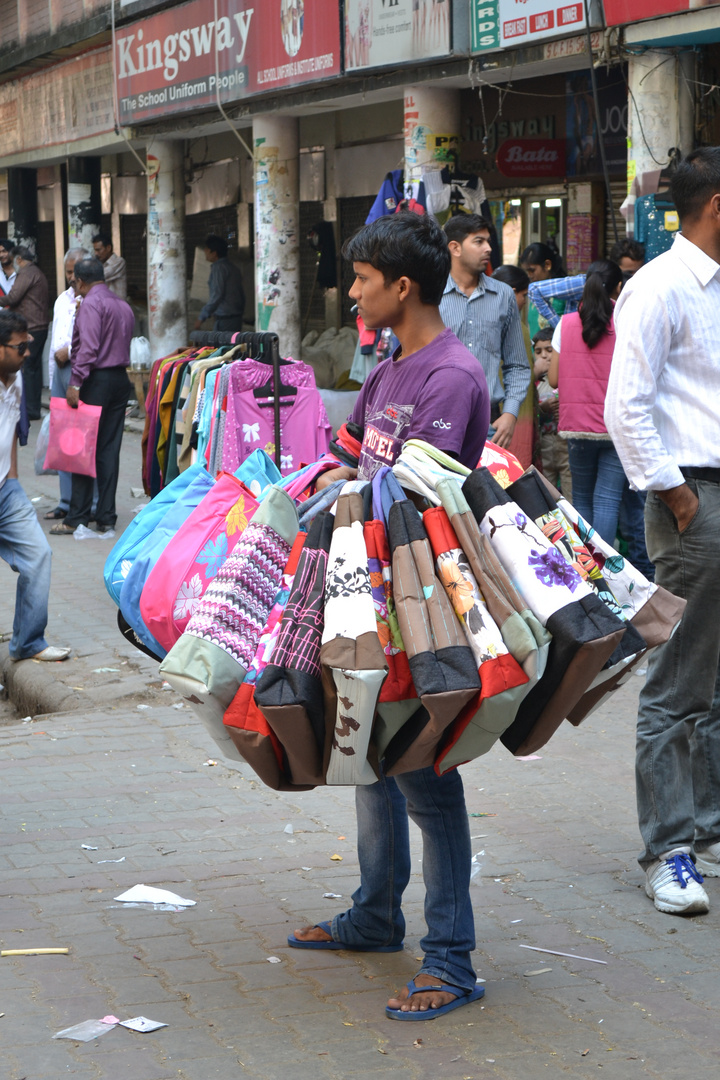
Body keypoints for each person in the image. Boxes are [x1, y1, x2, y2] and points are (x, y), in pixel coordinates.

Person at [290, 212, 490, 1021]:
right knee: (369, 752)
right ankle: (376, 915)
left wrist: (343, 493)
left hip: (422, 602)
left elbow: (414, 493)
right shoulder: (389, 369)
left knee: (427, 778)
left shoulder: (452, 377)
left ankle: (452, 960)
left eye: (362, 280)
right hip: (364, 591)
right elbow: (350, 457)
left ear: (401, 287)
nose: (353, 292)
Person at [605, 147, 720, 916]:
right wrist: (681, 501)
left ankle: (706, 828)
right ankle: (668, 850)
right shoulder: (659, 286)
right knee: (677, 682)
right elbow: (626, 406)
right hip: (696, 501)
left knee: (713, 682)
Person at [0, 310, 70, 663]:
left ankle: (28, 642)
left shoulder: (17, 379)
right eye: (20, 347)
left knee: (38, 555)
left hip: (5, 490)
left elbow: (11, 428)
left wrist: (12, 477)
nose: (28, 353)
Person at [48, 258, 134, 537]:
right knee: (108, 450)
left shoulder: (90, 305)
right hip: (120, 379)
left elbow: (88, 348)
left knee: (80, 448)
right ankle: (106, 516)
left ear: (81, 281)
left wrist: (75, 382)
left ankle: (77, 516)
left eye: (75, 282)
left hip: (96, 380)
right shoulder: (122, 305)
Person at [547, 259, 626, 545]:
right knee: (607, 501)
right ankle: (608, 572)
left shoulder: (565, 325)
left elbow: (554, 379)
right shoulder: (627, 323)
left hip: (577, 427)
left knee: (580, 497)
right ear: (619, 287)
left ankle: (586, 569)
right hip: (616, 427)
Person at [439, 214, 528, 449]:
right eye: (479, 242)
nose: (488, 249)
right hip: (436, 419)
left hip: (489, 424)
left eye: (488, 241)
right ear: (455, 248)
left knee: (486, 486)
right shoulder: (431, 294)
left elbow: (517, 364)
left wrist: (510, 413)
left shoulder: (503, 295)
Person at [43, 248, 90, 522]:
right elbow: (55, 341)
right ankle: (65, 500)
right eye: (68, 271)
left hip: (78, 371)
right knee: (62, 439)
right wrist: (52, 380)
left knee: (83, 438)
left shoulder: (90, 301)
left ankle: (88, 503)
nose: (71, 277)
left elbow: (92, 342)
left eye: (75, 272)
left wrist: (69, 355)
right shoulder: (62, 299)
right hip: (59, 373)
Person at [491, 264, 537, 469]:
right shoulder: (519, 329)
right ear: (511, 293)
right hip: (514, 416)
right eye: (524, 295)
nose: (524, 302)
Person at [0, 247, 49, 420]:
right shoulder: (37, 272)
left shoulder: (26, 273)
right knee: (33, 370)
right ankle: (33, 408)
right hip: (39, 325)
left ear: (19, 259)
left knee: (28, 369)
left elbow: (13, 297)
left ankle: (30, 409)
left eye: (14, 261)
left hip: (32, 327)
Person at [533, 327, 572, 500]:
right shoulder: (535, 384)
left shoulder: (564, 379)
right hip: (544, 444)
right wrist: (543, 408)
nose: (544, 356)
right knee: (547, 491)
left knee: (570, 488)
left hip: (564, 443)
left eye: (549, 350)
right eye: (538, 351)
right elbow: (531, 413)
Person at [194, 234, 245, 333]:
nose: (205, 251)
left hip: (225, 319)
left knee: (222, 347)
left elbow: (217, 295)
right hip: (235, 318)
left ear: (214, 253)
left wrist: (202, 317)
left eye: (207, 249)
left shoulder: (219, 269)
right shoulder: (233, 268)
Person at [519, 241, 568, 338]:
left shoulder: (563, 293)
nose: (529, 275)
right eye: (527, 271)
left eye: (532, 270)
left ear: (547, 265)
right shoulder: (535, 292)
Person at [91, 233, 127, 301]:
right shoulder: (99, 263)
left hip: (117, 307)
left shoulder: (119, 262)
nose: (96, 253)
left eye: (98, 250)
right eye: (95, 250)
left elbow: (98, 276)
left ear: (108, 248)